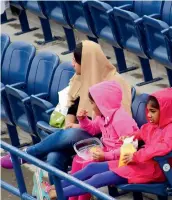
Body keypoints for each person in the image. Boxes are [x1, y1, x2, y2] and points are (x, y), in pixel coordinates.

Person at [37, 87, 172, 200]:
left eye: (153, 111)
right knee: (92, 167)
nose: (148, 115)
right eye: (148, 111)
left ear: (166, 111)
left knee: (98, 179)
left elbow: (163, 147)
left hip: (153, 169)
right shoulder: (153, 125)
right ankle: (55, 188)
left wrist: (137, 156)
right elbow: (140, 133)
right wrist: (128, 137)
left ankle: (56, 194)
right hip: (138, 163)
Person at [1, 41, 132, 185]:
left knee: (72, 134)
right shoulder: (80, 78)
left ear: (88, 63)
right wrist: (70, 123)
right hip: (81, 133)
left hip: (105, 139)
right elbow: (73, 105)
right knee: (53, 157)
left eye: (76, 61)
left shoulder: (115, 82)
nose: (72, 65)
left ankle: (27, 153)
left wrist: (77, 127)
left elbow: (117, 120)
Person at [36, 80, 138, 200]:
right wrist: (82, 120)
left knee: (89, 165)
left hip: (119, 159)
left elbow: (130, 148)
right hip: (106, 153)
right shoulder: (103, 116)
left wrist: (106, 155)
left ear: (104, 103)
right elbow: (92, 129)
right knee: (78, 160)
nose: (92, 105)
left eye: (93, 102)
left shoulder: (122, 119)